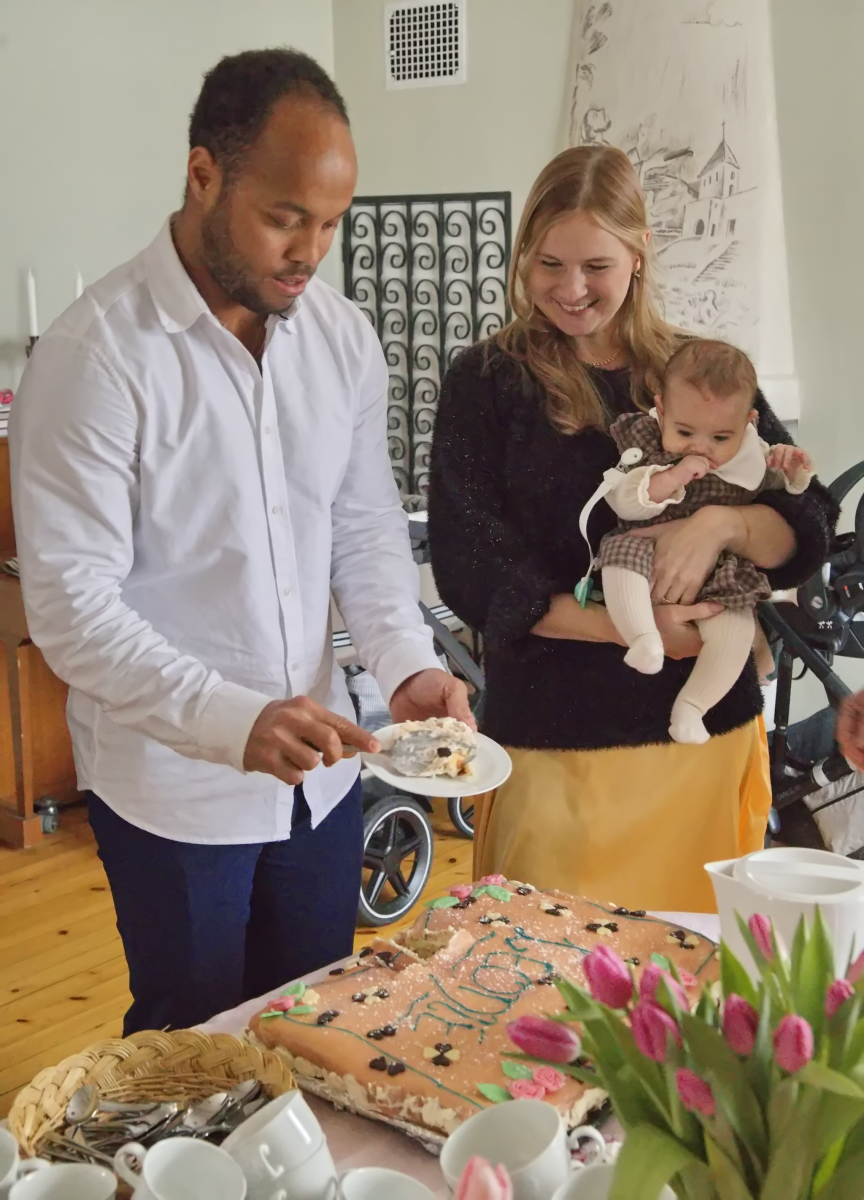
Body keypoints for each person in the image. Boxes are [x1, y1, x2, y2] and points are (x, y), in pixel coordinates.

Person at [10, 48, 470, 1035]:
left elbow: (363, 526)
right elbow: (71, 609)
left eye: (331, 224)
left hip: (323, 782)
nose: (310, 252)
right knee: (193, 1052)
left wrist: (406, 664)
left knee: (312, 1030)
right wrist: (234, 720)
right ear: (204, 174)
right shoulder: (94, 358)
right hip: (175, 794)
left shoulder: (341, 339)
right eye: (285, 218)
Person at [428, 146, 837, 912]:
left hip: (705, 748)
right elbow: (471, 568)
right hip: (555, 748)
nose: (571, 290)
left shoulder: (698, 371)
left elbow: (807, 526)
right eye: (549, 264)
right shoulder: (485, 381)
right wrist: (633, 629)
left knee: (692, 974)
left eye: (597, 267)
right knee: (549, 973)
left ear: (639, 252)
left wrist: (721, 523)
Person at [594, 338, 813, 745]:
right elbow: (625, 502)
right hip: (643, 546)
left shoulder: (751, 452)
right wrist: (672, 477)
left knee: (736, 624)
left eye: (720, 437)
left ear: (748, 422)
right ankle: (642, 637)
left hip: (720, 566)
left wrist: (793, 472)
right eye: (685, 431)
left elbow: (796, 506)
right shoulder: (645, 438)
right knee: (618, 558)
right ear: (662, 410)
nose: (701, 446)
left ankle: (693, 707)